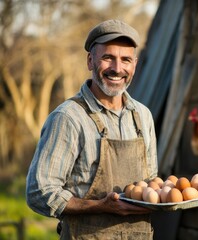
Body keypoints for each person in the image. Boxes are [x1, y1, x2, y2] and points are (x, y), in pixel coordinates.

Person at [26, 19, 158, 239]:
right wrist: (99, 206)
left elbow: (151, 180)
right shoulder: (68, 117)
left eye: (125, 59)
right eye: (108, 58)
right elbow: (39, 193)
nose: (117, 69)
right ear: (90, 60)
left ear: (134, 64)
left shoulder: (143, 116)